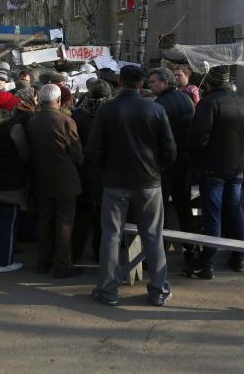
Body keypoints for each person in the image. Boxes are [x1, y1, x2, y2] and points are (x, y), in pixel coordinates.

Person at [87, 65, 176, 307]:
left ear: (119, 83)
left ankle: (108, 290)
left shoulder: (107, 110)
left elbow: (93, 150)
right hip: (148, 181)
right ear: (142, 84)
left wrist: (107, 169)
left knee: (111, 236)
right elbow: (169, 149)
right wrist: (157, 169)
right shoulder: (155, 109)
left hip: (115, 182)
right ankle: (158, 290)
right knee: (153, 236)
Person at [187, 65, 244, 278]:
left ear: (209, 83)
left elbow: (199, 138)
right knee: (234, 210)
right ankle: (240, 257)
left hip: (213, 168)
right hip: (236, 167)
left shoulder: (208, 103)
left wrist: (198, 159)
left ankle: (208, 263)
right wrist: (243, 156)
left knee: (213, 215)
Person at [27, 84, 84, 278]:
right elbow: (78, 154)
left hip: (42, 178)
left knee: (45, 220)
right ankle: (62, 265)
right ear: (58, 101)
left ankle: (44, 261)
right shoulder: (66, 121)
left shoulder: (33, 121)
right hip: (65, 179)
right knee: (64, 223)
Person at [148, 67, 197, 267]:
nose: (150, 85)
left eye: (153, 82)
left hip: (166, 164)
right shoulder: (186, 99)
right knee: (183, 206)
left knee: (157, 210)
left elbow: (157, 138)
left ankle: (156, 254)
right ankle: (190, 251)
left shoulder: (159, 105)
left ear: (165, 83)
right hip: (184, 161)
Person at [0, 91, 31, 273]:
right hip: (10, 182)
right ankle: (4, 261)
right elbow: (25, 153)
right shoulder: (13, 127)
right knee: (7, 223)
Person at [70, 79, 112, 263]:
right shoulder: (111, 114)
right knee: (103, 217)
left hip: (83, 170)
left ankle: (76, 254)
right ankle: (99, 254)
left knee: (82, 215)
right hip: (105, 171)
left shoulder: (78, 115)